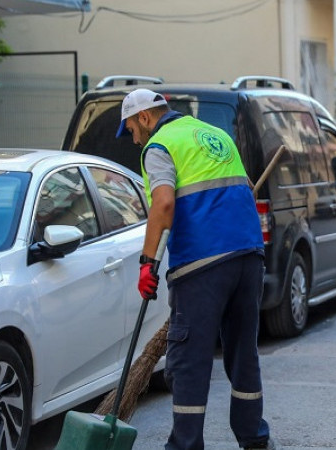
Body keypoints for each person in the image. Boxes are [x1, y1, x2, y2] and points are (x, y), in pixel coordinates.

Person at [117, 88, 274, 450]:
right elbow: (242, 188)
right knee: (242, 353)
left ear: (145, 117)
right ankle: (255, 439)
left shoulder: (159, 147)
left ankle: (185, 446)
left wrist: (148, 262)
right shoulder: (213, 134)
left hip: (203, 262)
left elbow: (164, 203)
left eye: (131, 127)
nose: (133, 136)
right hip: (248, 255)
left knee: (189, 360)